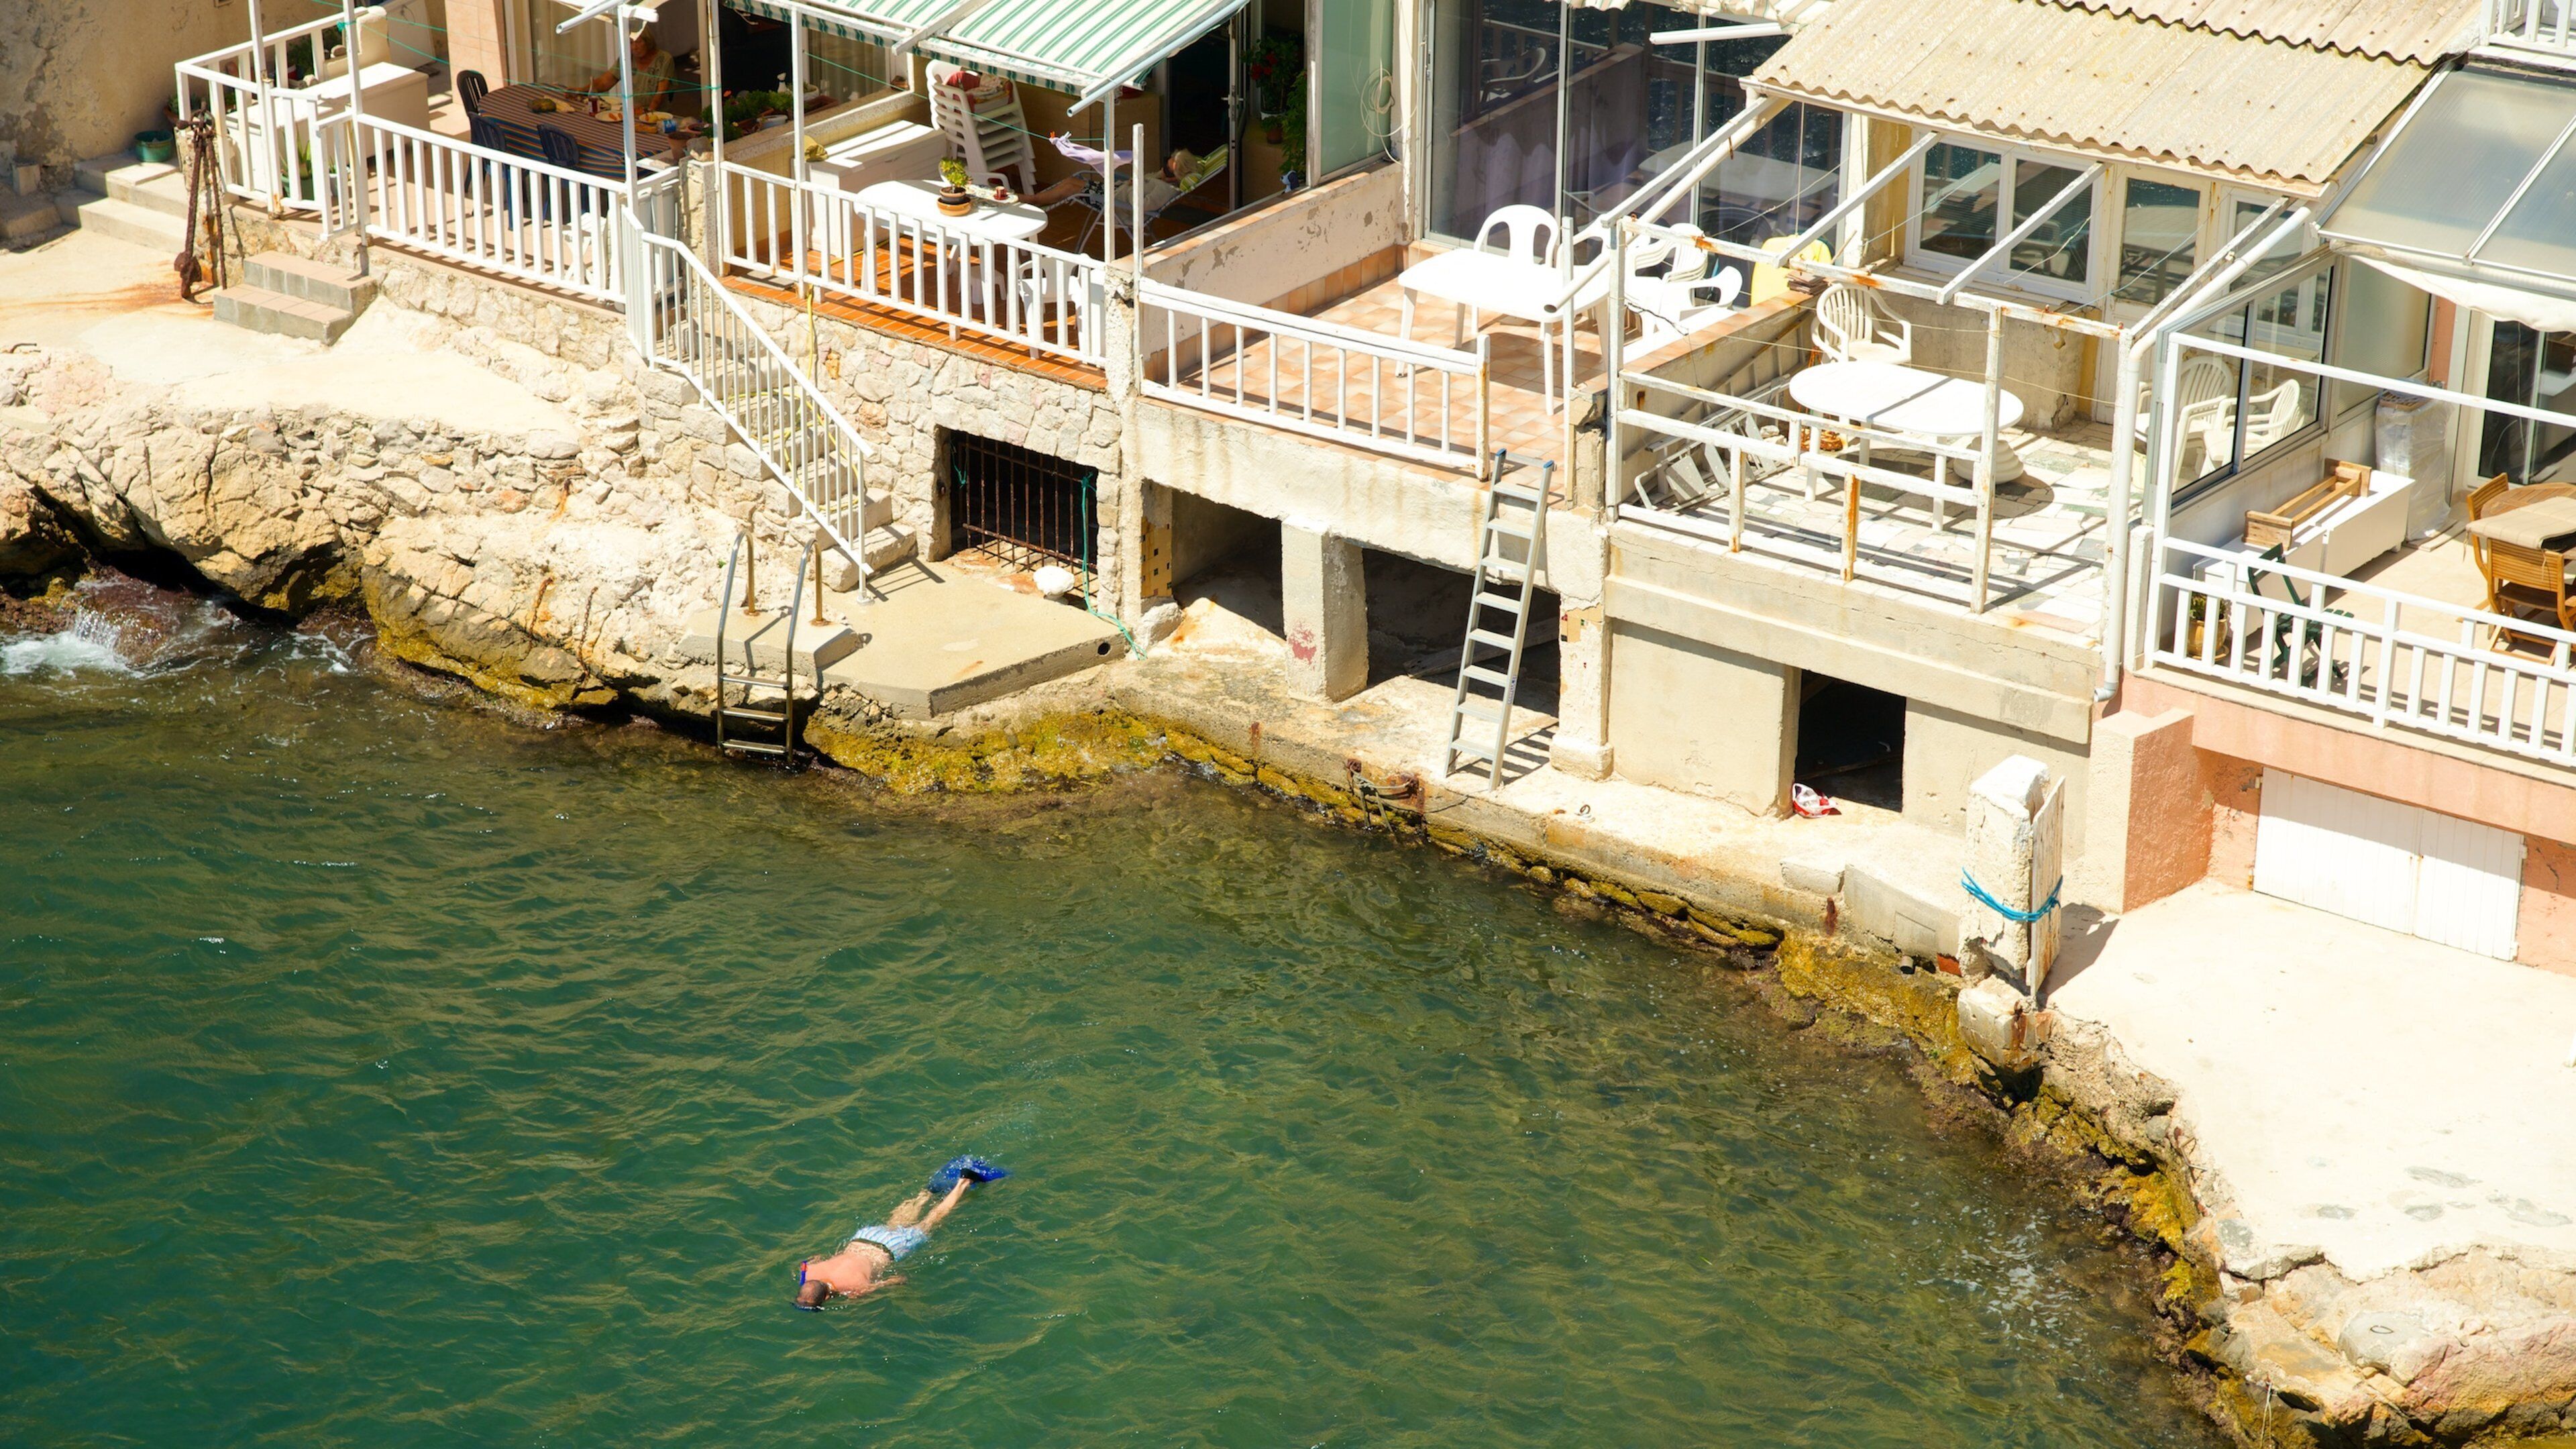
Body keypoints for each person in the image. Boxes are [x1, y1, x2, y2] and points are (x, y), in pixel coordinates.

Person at [794, 1177, 972, 1308]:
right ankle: (925, 1194)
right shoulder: (807, 1271)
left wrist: (896, 1282)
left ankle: (963, 1183)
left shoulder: (854, 1289)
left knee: (930, 1221)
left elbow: (892, 1281)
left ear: (825, 1299)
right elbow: (816, 1257)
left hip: (891, 1247)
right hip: (865, 1237)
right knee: (895, 1223)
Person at [584, 31, 676, 113]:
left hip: (656, 114)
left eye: (638, 42)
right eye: (631, 43)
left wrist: (648, 114)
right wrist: (580, 90)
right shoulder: (627, 58)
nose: (634, 47)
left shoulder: (664, 59)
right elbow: (604, 82)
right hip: (631, 112)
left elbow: (660, 93)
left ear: (648, 42)